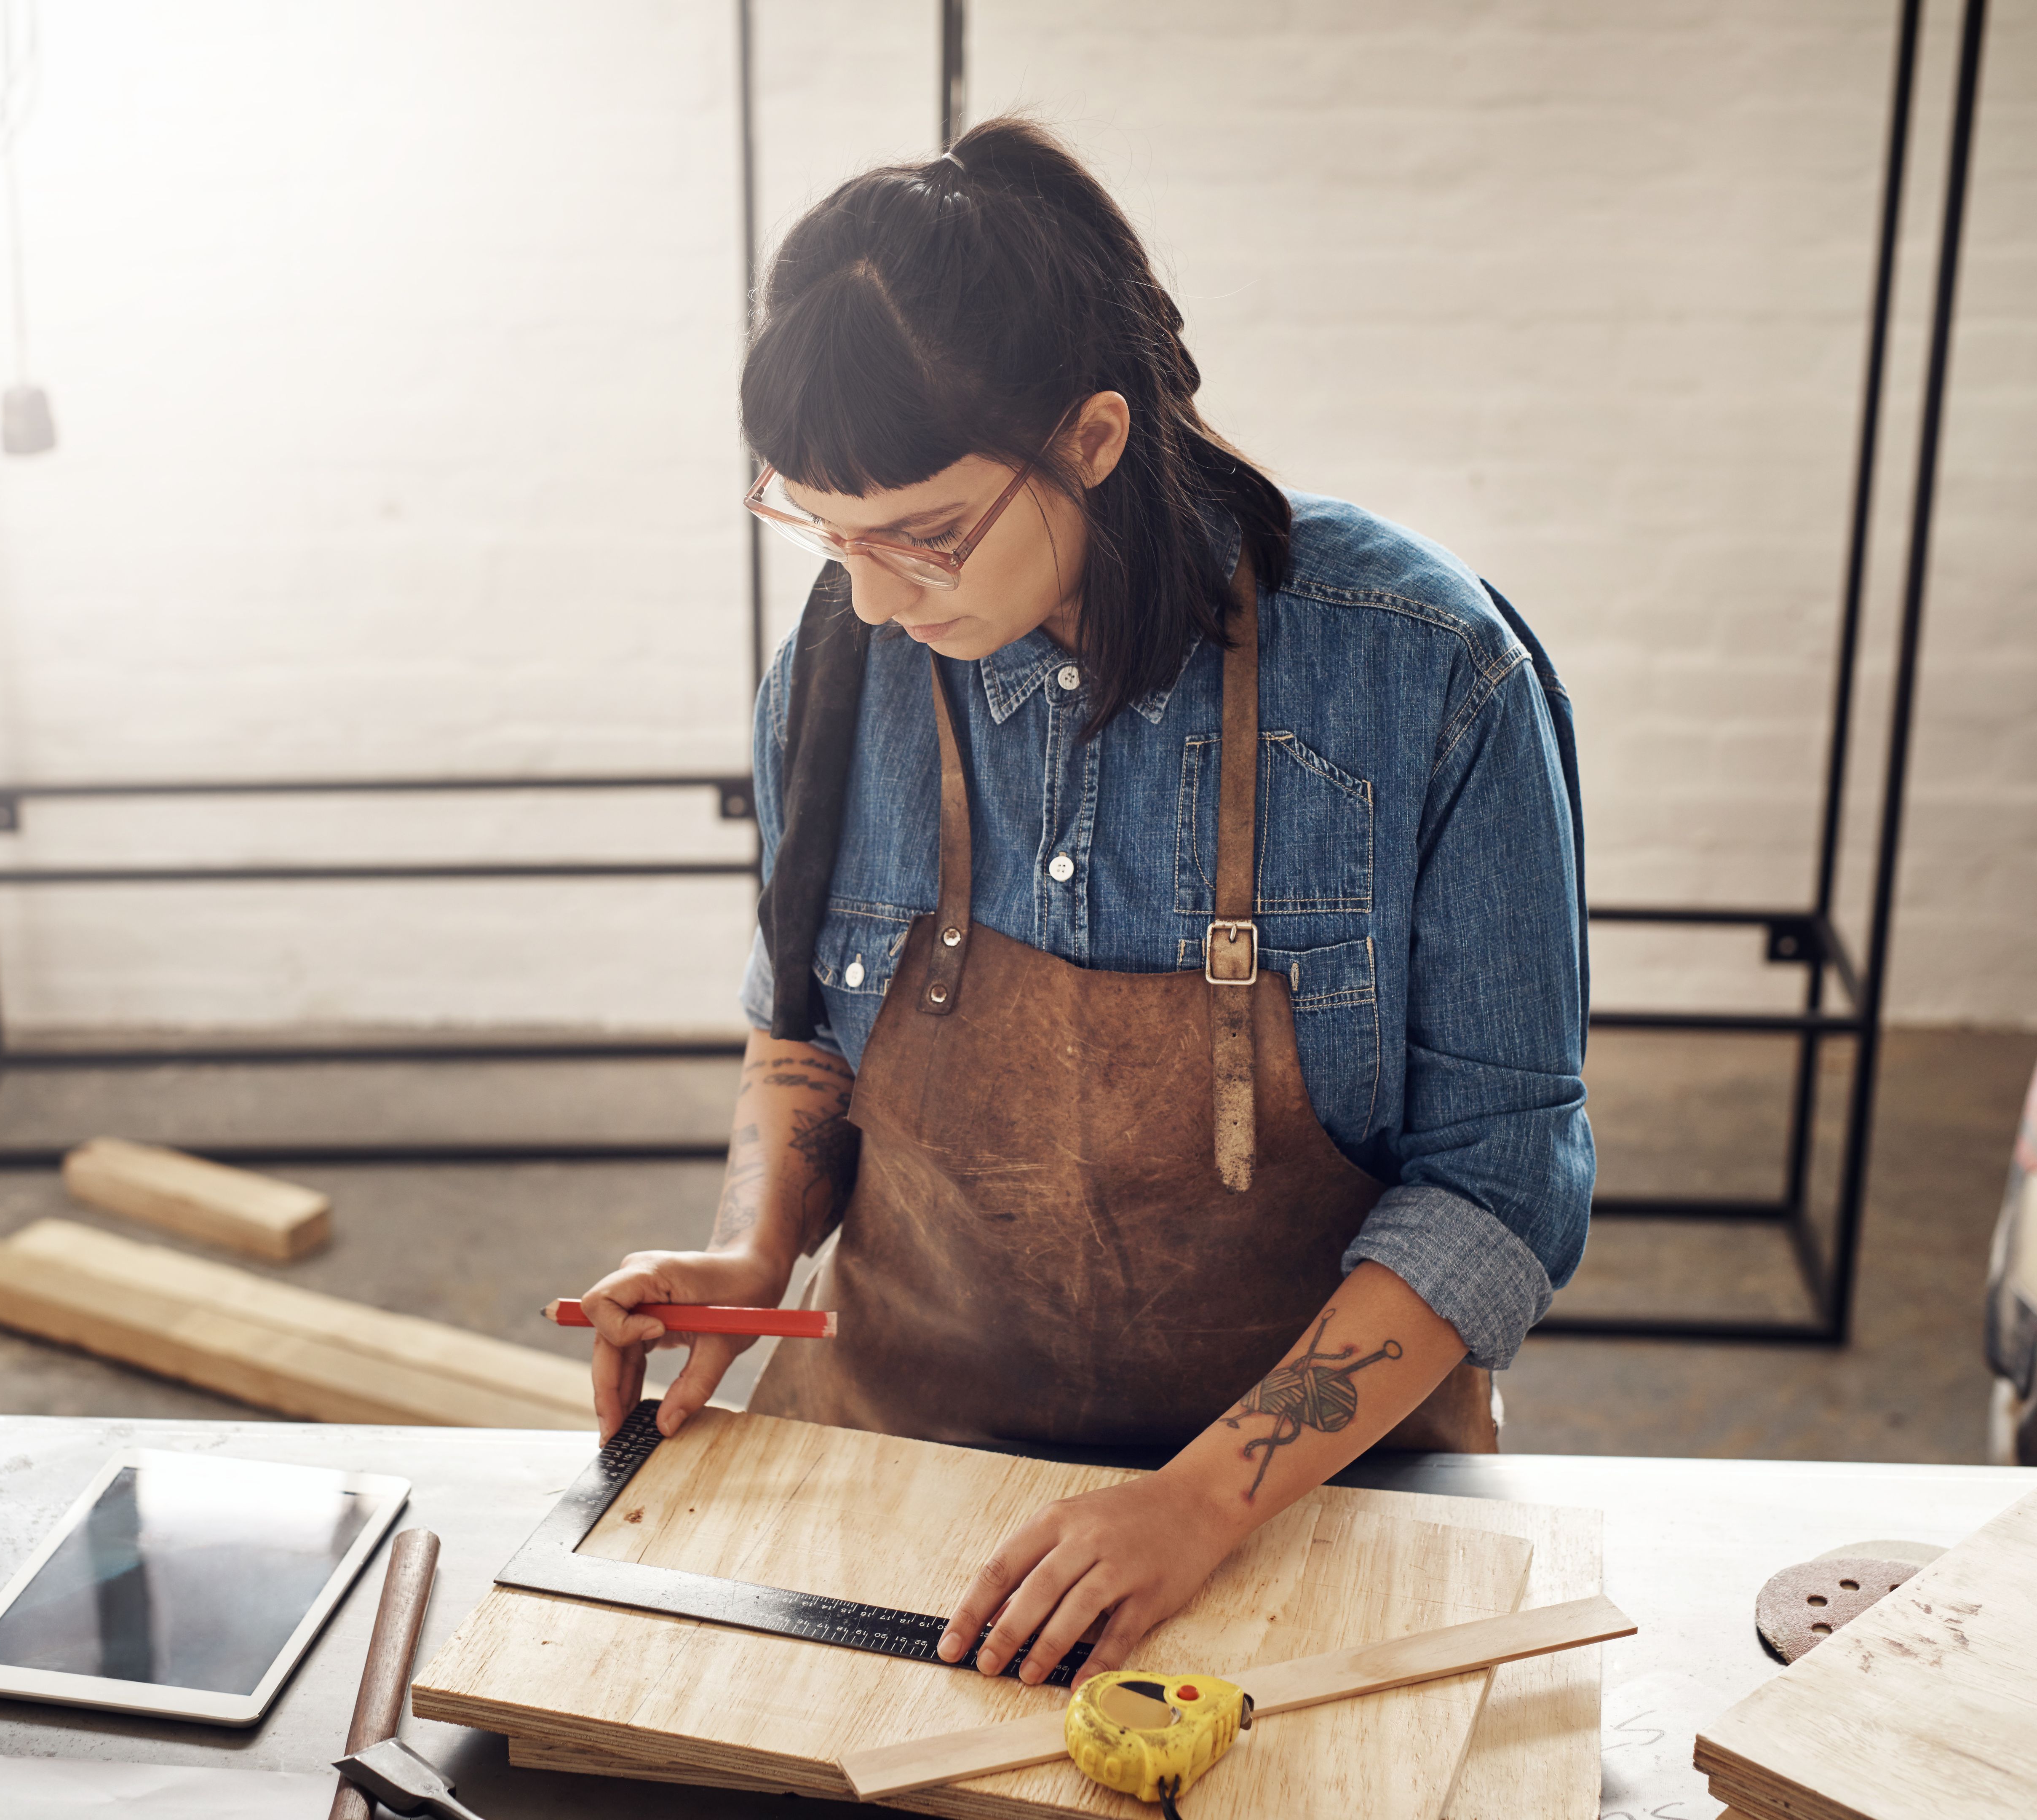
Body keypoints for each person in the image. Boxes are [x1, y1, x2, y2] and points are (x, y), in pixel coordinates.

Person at [578, 117, 1593, 1692]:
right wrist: (750, 1255)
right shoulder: (845, 662)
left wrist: (1199, 1502)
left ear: (1097, 437)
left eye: (923, 532)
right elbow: (799, 1036)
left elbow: (1500, 1181)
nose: (871, 595)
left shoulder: (1422, 670)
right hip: (906, 1479)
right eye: (822, 529)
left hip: (1312, 1509)